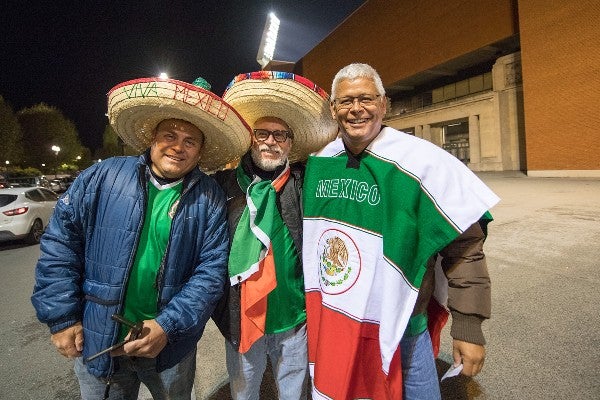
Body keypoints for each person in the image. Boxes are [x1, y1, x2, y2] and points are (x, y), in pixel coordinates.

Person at [31, 76, 251, 399]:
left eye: (190, 140)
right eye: (170, 135)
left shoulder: (210, 198)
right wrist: (61, 317)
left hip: (171, 349)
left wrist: (167, 325)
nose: (178, 146)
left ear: (201, 150)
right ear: (152, 137)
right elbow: (61, 242)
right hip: (102, 342)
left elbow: (212, 272)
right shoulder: (103, 177)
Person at [301, 63, 500, 399]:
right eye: (346, 101)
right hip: (340, 322)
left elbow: (464, 248)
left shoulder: (423, 162)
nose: (356, 109)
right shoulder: (319, 162)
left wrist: (469, 326)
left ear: (384, 104)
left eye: (366, 99)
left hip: (406, 329)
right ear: (333, 109)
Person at [212, 71, 337, 400]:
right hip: (241, 317)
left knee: (293, 393)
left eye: (280, 135)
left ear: (291, 143)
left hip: (293, 317)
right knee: (243, 392)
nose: (271, 141)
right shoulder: (223, 187)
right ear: (251, 138)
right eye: (263, 133)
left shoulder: (305, 182)